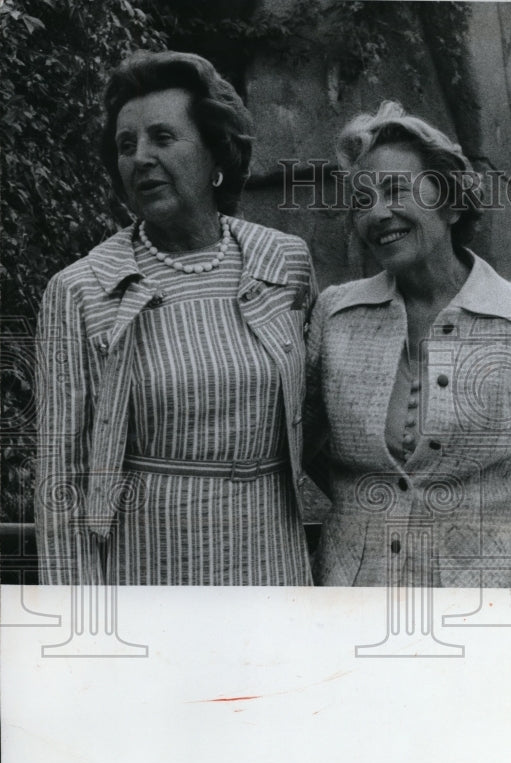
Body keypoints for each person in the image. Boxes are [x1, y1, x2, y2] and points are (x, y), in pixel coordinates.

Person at [35, 50, 315, 585]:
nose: (140, 157)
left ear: (216, 154)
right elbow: (61, 482)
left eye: (163, 138)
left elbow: (318, 415)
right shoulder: (79, 290)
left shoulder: (285, 261)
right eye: (126, 145)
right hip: (150, 567)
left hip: (272, 561)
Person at [305, 101, 511, 588]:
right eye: (362, 200)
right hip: (351, 600)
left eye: (395, 191)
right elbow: (306, 439)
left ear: (452, 204)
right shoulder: (333, 314)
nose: (377, 213)